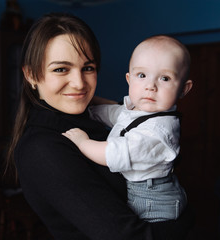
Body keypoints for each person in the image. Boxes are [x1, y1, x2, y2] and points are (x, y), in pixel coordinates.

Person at [5, 12, 194, 240]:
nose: (79, 83)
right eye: (60, 69)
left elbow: (122, 114)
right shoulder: (42, 148)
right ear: (31, 75)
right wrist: (187, 219)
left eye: (88, 68)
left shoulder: (81, 120)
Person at [62, 35, 193, 223]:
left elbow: (112, 154)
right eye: (142, 75)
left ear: (183, 89)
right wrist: (90, 105)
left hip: (152, 202)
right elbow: (119, 115)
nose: (150, 86)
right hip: (150, 191)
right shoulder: (145, 110)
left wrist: (83, 143)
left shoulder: (156, 132)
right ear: (129, 79)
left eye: (165, 78)